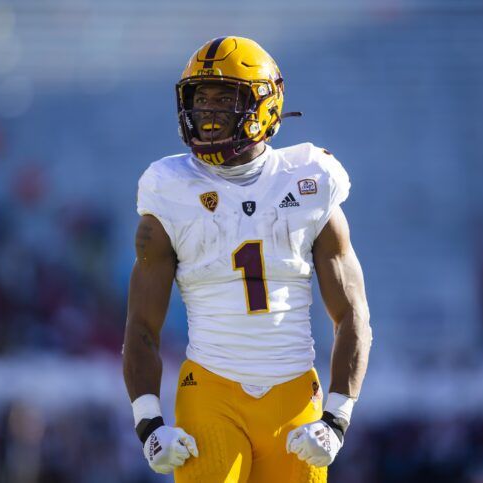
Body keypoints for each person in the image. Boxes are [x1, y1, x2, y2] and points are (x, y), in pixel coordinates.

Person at [123, 36, 372, 482]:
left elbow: (352, 314)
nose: (208, 113)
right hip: (210, 392)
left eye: (224, 99)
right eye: (201, 99)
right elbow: (142, 324)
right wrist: (149, 424)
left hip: (294, 396)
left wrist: (336, 418)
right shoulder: (168, 187)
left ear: (264, 106)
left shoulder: (310, 180)